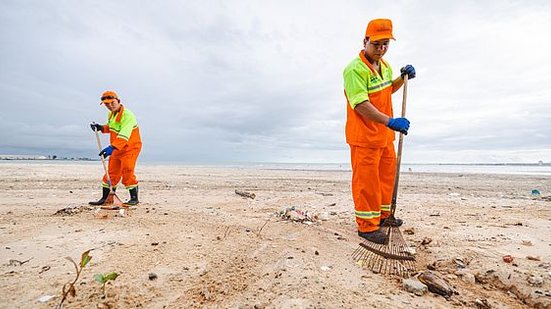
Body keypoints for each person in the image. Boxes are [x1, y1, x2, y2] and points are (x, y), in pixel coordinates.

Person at [343, 18, 416, 244]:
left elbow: (384, 92)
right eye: (376, 44)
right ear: (365, 41)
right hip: (365, 137)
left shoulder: (385, 66)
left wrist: (401, 79)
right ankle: (367, 226)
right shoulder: (354, 70)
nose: (381, 49)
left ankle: (383, 216)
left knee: (386, 179)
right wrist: (390, 121)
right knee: (367, 183)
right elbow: (361, 105)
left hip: (384, 137)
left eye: (385, 44)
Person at [89, 90, 142, 206]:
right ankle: (106, 198)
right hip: (117, 148)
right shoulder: (111, 115)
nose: (110, 106)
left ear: (118, 101)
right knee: (112, 173)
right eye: (107, 104)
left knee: (127, 170)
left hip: (130, 148)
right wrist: (101, 128)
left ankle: (134, 198)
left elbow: (124, 134)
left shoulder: (128, 115)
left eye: (112, 102)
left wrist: (111, 148)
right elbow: (112, 128)